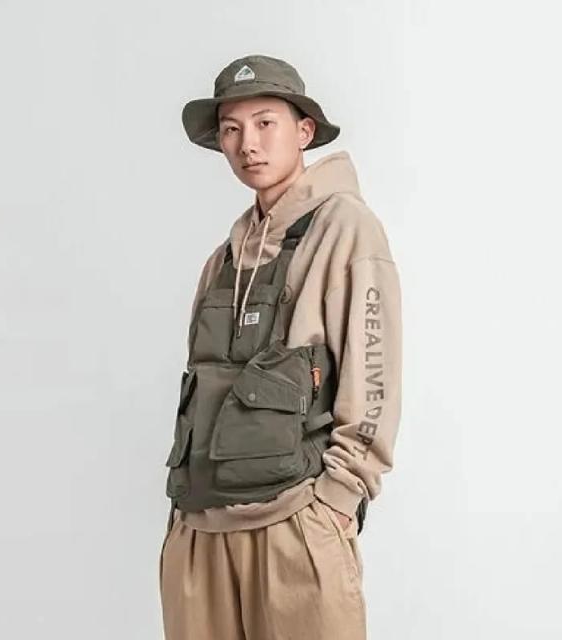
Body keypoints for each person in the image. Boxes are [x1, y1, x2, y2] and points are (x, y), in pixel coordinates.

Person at [159, 53, 402, 640]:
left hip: (294, 522)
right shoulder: (222, 259)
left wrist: (339, 499)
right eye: (231, 129)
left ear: (304, 131)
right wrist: (179, 522)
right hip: (200, 531)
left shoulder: (346, 229)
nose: (248, 144)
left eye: (265, 122)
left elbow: (375, 373)